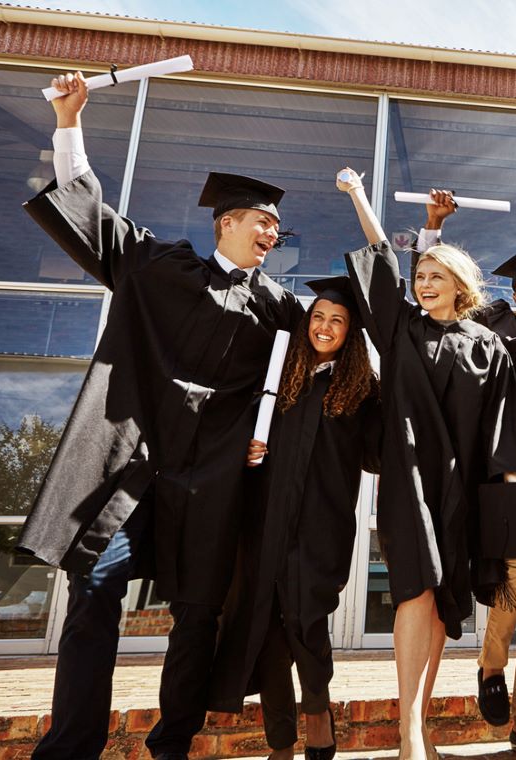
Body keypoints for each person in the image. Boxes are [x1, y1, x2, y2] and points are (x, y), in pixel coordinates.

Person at [16, 71, 305, 760]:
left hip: (212, 478)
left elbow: (343, 344)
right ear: (226, 222)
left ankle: (171, 744)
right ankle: (71, 746)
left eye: (276, 225)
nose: (273, 231)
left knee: (198, 614)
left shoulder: (282, 311)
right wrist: (68, 122)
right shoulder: (158, 267)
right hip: (131, 463)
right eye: (262, 220)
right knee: (95, 595)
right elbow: (90, 213)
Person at [335, 168, 516, 760]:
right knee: (413, 593)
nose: (423, 283)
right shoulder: (399, 328)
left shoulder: (488, 344)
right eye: (420, 275)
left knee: (444, 597)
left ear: (460, 285)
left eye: (434, 276)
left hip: (464, 488)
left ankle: (419, 722)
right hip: (408, 479)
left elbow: (505, 427)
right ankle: (408, 732)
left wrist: (511, 502)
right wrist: (358, 197)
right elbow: (378, 258)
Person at [416, 200, 516, 760]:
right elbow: (436, 310)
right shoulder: (492, 323)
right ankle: (490, 660)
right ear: (515, 293)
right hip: (501, 465)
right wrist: (435, 231)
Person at [208, 277, 381, 759]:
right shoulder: (279, 378)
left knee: (305, 621)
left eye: (338, 320)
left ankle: (318, 711)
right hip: (264, 520)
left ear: (351, 333)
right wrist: (245, 447)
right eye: (318, 317)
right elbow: (238, 430)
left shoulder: (363, 391)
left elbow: (378, 456)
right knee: (264, 627)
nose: (325, 327)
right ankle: (281, 741)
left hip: (320, 525)